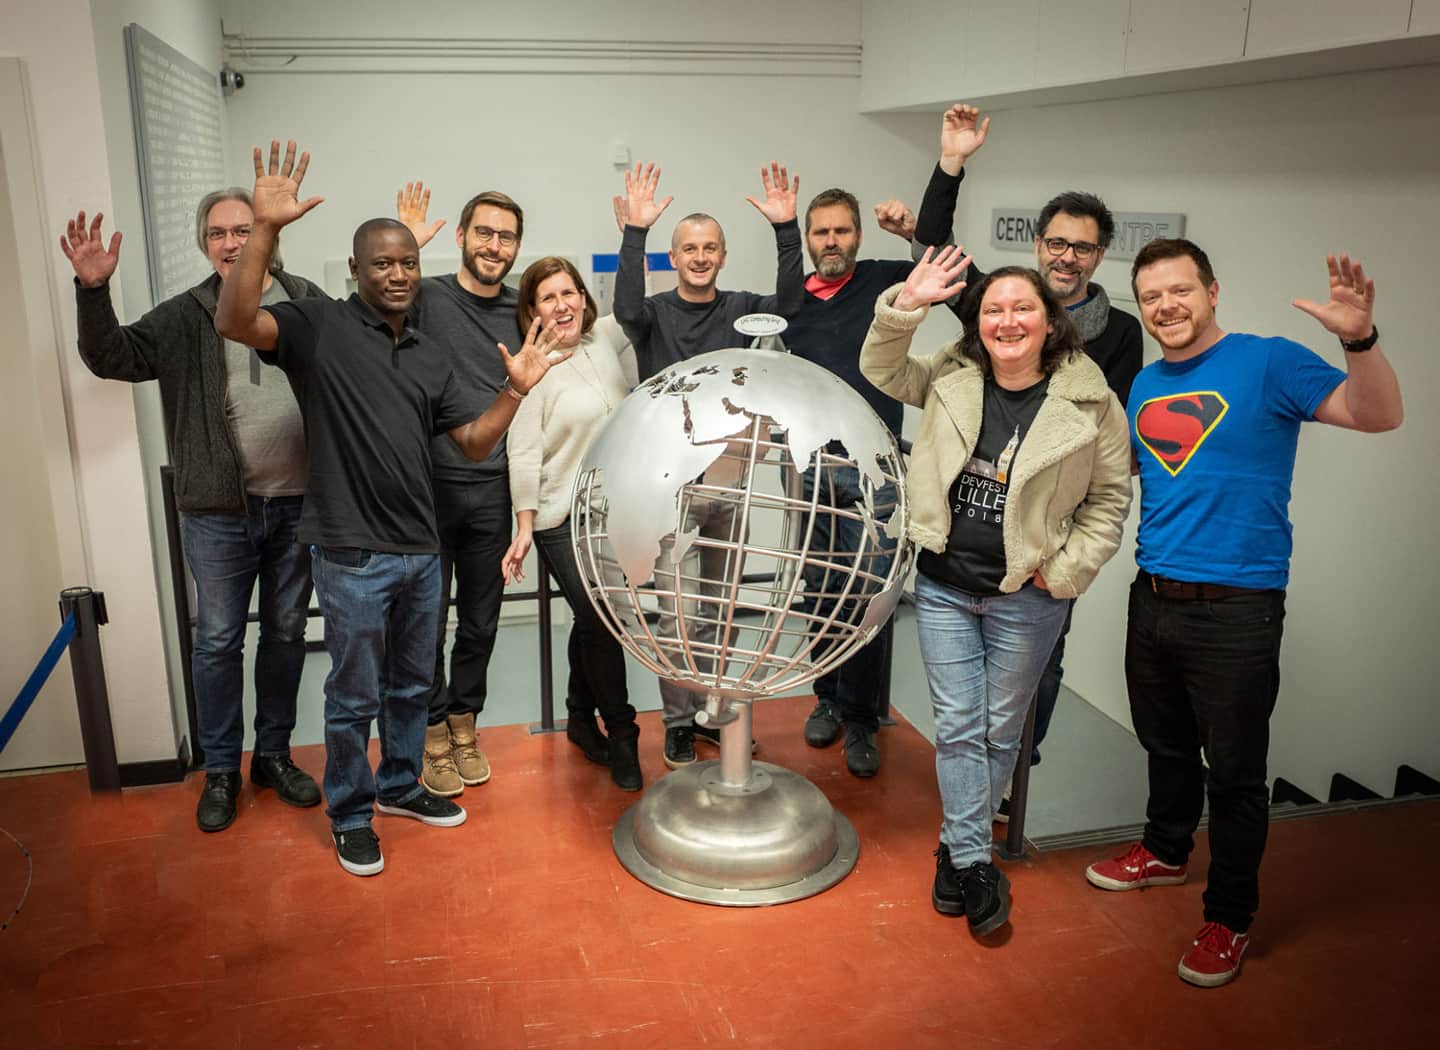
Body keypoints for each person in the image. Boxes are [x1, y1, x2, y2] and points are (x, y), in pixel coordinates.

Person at [214, 140, 567, 877]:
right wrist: (266, 232)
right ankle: (350, 812)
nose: (398, 273)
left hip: (418, 548)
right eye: (382, 263)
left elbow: (472, 444)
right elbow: (237, 319)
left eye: (408, 262)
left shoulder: (429, 355)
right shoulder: (318, 326)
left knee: (412, 685)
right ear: (355, 270)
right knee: (353, 696)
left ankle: (402, 786)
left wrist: (516, 390)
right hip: (349, 551)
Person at [1086, 241, 1403, 987]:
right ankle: (1165, 851)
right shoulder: (1143, 385)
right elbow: (1128, 468)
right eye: (1152, 295)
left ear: (1212, 291)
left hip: (1238, 609)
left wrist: (1359, 339)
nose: (1166, 305)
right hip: (1153, 595)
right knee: (1164, 746)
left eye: (1180, 290)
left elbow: (1377, 414)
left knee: (1233, 776)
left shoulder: (1269, 362)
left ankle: (1228, 917)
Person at [861, 247, 1131, 937]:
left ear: (1050, 322)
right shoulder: (952, 375)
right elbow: (881, 368)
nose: (1006, 321)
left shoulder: (1091, 400)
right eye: (993, 310)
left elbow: (1107, 501)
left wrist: (1066, 573)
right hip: (948, 587)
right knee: (957, 728)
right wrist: (908, 304)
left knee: (997, 731)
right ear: (977, 323)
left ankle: (956, 854)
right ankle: (977, 863)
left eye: (1022, 309)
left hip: (1030, 596)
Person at [63, 193, 326, 834]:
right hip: (218, 512)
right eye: (217, 233)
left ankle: (271, 756)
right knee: (216, 642)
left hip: (299, 507)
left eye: (243, 228)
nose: (231, 242)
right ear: (204, 243)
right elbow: (113, 357)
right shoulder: (187, 315)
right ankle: (219, 772)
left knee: (288, 634)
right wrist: (93, 292)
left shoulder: (308, 300)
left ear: (268, 230)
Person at [913, 104, 1143, 789]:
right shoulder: (997, 302)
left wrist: (1068, 566)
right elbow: (933, 240)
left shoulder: (1120, 335)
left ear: (1100, 255)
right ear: (1040, 244)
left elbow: (1112, 449)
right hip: (964, 550)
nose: (1067, 256)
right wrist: (953, 161)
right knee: (963, 705)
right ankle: (975, 809)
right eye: (1057, 243)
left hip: (1044, 548)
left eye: (1083, 247)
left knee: (1038, 679)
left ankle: (1013, 781)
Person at [613, 161, 803, 769]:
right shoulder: (653, 316)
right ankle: (675, 721)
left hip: (731, 488)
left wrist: (786, 230)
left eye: (710, 248)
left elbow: (794, 304)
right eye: (689, 248)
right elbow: (622, 308)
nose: (700, 257)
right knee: (678, 614)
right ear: (675, 256)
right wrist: (635, 233)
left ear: (722, 255)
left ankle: (714, 712)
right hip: (669, 494)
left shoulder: (746, 308)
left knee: (721, 611)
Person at [395, 180, 526, 798]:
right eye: (484, 233)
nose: (494, 245)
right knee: (425, 622)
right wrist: (407, 250)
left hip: (495, 492)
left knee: (480, 622)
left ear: (517, 246)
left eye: (505, 236)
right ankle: (430, 731)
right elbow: (366, 317)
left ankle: (464, 724)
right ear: (462, 237)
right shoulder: (426, 295)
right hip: (427, 489)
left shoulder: (522, 309)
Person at [782, 187, 918, 777]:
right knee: (820, 584)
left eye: (841, 231)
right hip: (812, 466)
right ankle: (828, 698)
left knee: (869, 593)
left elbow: (942, 270)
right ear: (809, 240)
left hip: (875, 466)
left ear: (858, 236)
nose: (831, 242)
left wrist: (913, 232)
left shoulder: (886, 280)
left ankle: (864, 717)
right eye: (821, 233)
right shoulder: (791, 301)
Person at [500, 257, 642, 792]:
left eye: (569, 293)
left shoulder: (605, 340)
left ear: (584, 297)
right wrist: (523, 527)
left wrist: (636, 234)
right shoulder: (531, 368)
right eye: (548, 298)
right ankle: (623, 732)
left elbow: (639, 309)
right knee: (603, 619)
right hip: (560, 517)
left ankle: (579, 718)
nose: (562, 306)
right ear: (531, 310)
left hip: (615, 513)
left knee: (592, 621)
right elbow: (524, 452)